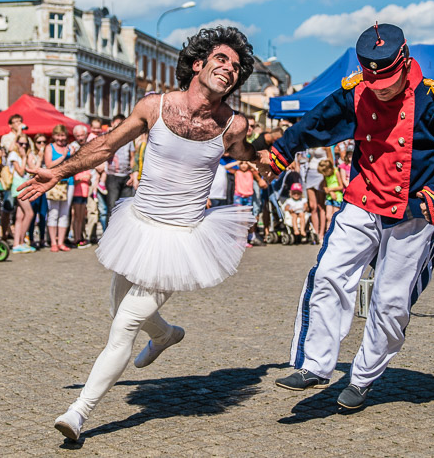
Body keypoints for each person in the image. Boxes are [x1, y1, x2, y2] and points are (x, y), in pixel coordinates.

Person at [18, 26, 258, 441]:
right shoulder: (154, 106)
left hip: (181, 238)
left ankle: (78, 414)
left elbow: (250, 156)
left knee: (124, 327)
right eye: (222, 59)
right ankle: (165, 334)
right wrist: (56, 171)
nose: (229, 69)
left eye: (236, 67)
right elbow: (104, 147)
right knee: (119, 310)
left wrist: (272, 158)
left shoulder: (232, 125)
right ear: (198, 64)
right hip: (138, 225)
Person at [265, 23, 434, 410]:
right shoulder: (356, 92)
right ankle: (314, 365)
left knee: (390, 300)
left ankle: (362, 379)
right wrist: (282, 150)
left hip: (413, 212)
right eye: (374, 81)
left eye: (389, 81)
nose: (381, 88)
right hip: (362, 201)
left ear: (405, 61)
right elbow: (317, 121)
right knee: (329, 274)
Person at [45, 125, 74, 251]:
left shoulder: (70, 148)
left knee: (65, 213)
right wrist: (63, 157)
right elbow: (49, 165)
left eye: (63, 135)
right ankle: (53, 242)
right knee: (53, 212)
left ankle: (61, 242)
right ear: (54, 136)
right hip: (54, 183)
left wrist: (72, 155)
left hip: (69, 182)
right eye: (58, 135)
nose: (61, 138)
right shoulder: (49, 148)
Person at [7, 133, 36, 253]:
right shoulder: (14, 154)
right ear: (16, 143)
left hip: (23, 185)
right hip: (18, 186)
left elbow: (32, 169)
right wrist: (24, 157)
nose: (23, 146)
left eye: (25, 143)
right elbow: (20, 171)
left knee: (20, 216)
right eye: (21, 143)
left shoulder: (23, 154)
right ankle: (22, 241)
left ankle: (16, 244)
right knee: (29, 213)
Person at [104, 113, 136, 216]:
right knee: (112, 206)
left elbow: (132, 157)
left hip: (126, 176)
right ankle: (110, 231)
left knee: (125, 207)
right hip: (112, 176)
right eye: (117, 124)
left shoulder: (129, 139)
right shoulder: (108, 137)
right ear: (112, 124)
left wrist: (132, 173)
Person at [318, 158, 344, 238]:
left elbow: (341, 186)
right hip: (329, 197)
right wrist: (330, 192)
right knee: (328, 216)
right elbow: (325, 188)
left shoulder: (336, 172)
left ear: (329, 169)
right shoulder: (326, 175)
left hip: (337, 197)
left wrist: (331, 190)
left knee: (334, 217)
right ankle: (328, 235)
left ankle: (335, 236)